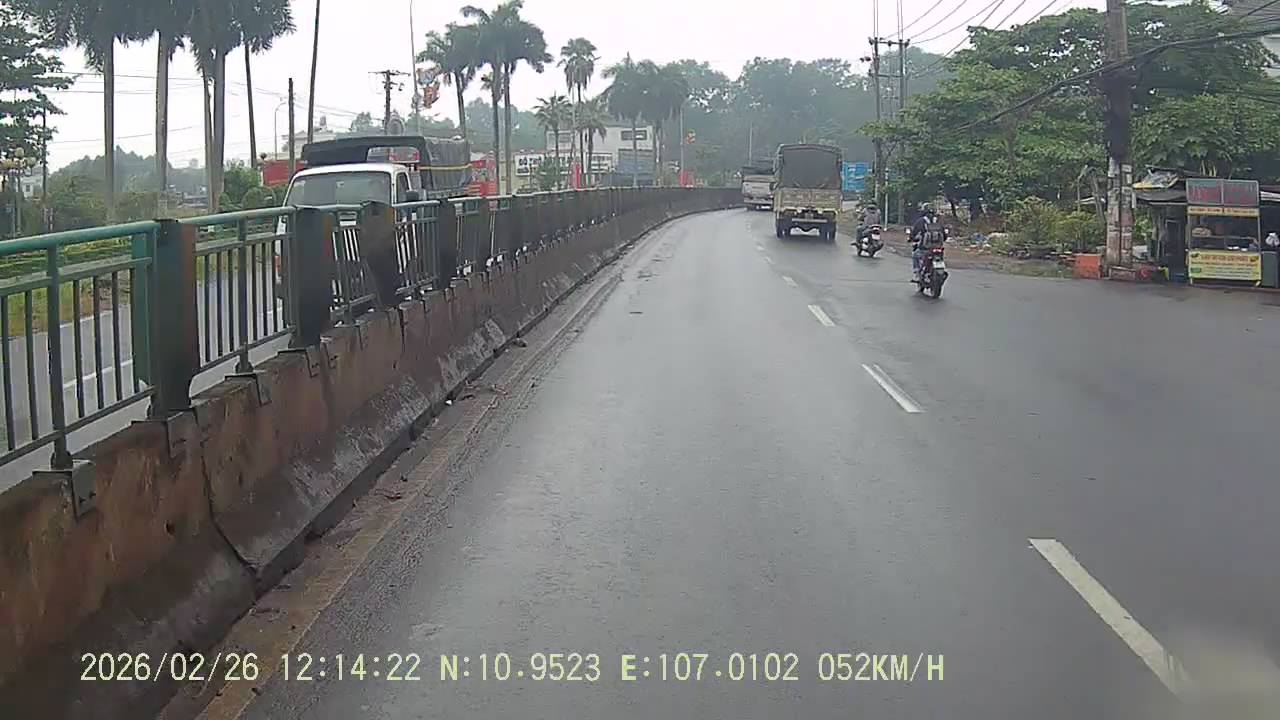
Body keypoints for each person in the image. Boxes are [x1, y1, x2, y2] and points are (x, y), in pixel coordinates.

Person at [909, 204, 946, 280]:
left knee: (915, 255)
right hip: (938, 248)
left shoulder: (921, 221)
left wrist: (911, 238)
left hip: (925, 248)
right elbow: (944, 235)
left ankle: (917, 274)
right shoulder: (939, 221)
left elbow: (914, 232)